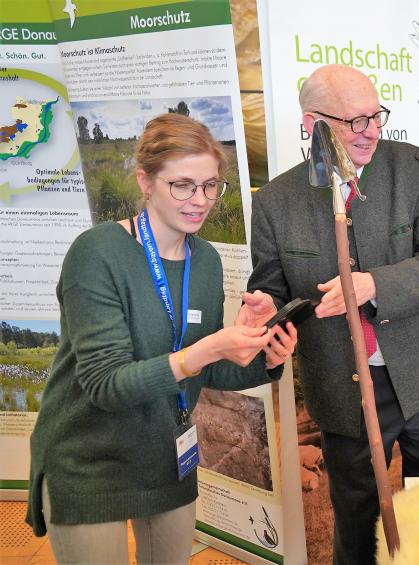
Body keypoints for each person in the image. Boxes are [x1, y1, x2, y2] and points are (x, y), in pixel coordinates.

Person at [25, 113, 297, 564]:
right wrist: (206, 348)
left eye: (211, 185)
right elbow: (106, 386)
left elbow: (205, 369)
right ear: (145, 181)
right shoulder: (96, 255)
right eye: (183, 185)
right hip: (90, 462)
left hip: (167, 458)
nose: (200, 200)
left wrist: (264, 352)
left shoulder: (205, 260)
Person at [248, 64, 419, 565]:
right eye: (354, 122)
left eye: (376, 117)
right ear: (311, 123)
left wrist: (371, 285)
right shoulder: (277, 202)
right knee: (357, 518)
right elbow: (271, 292)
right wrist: (264, 309)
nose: (371, 132)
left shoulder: (416, 169)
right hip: (343, 386)